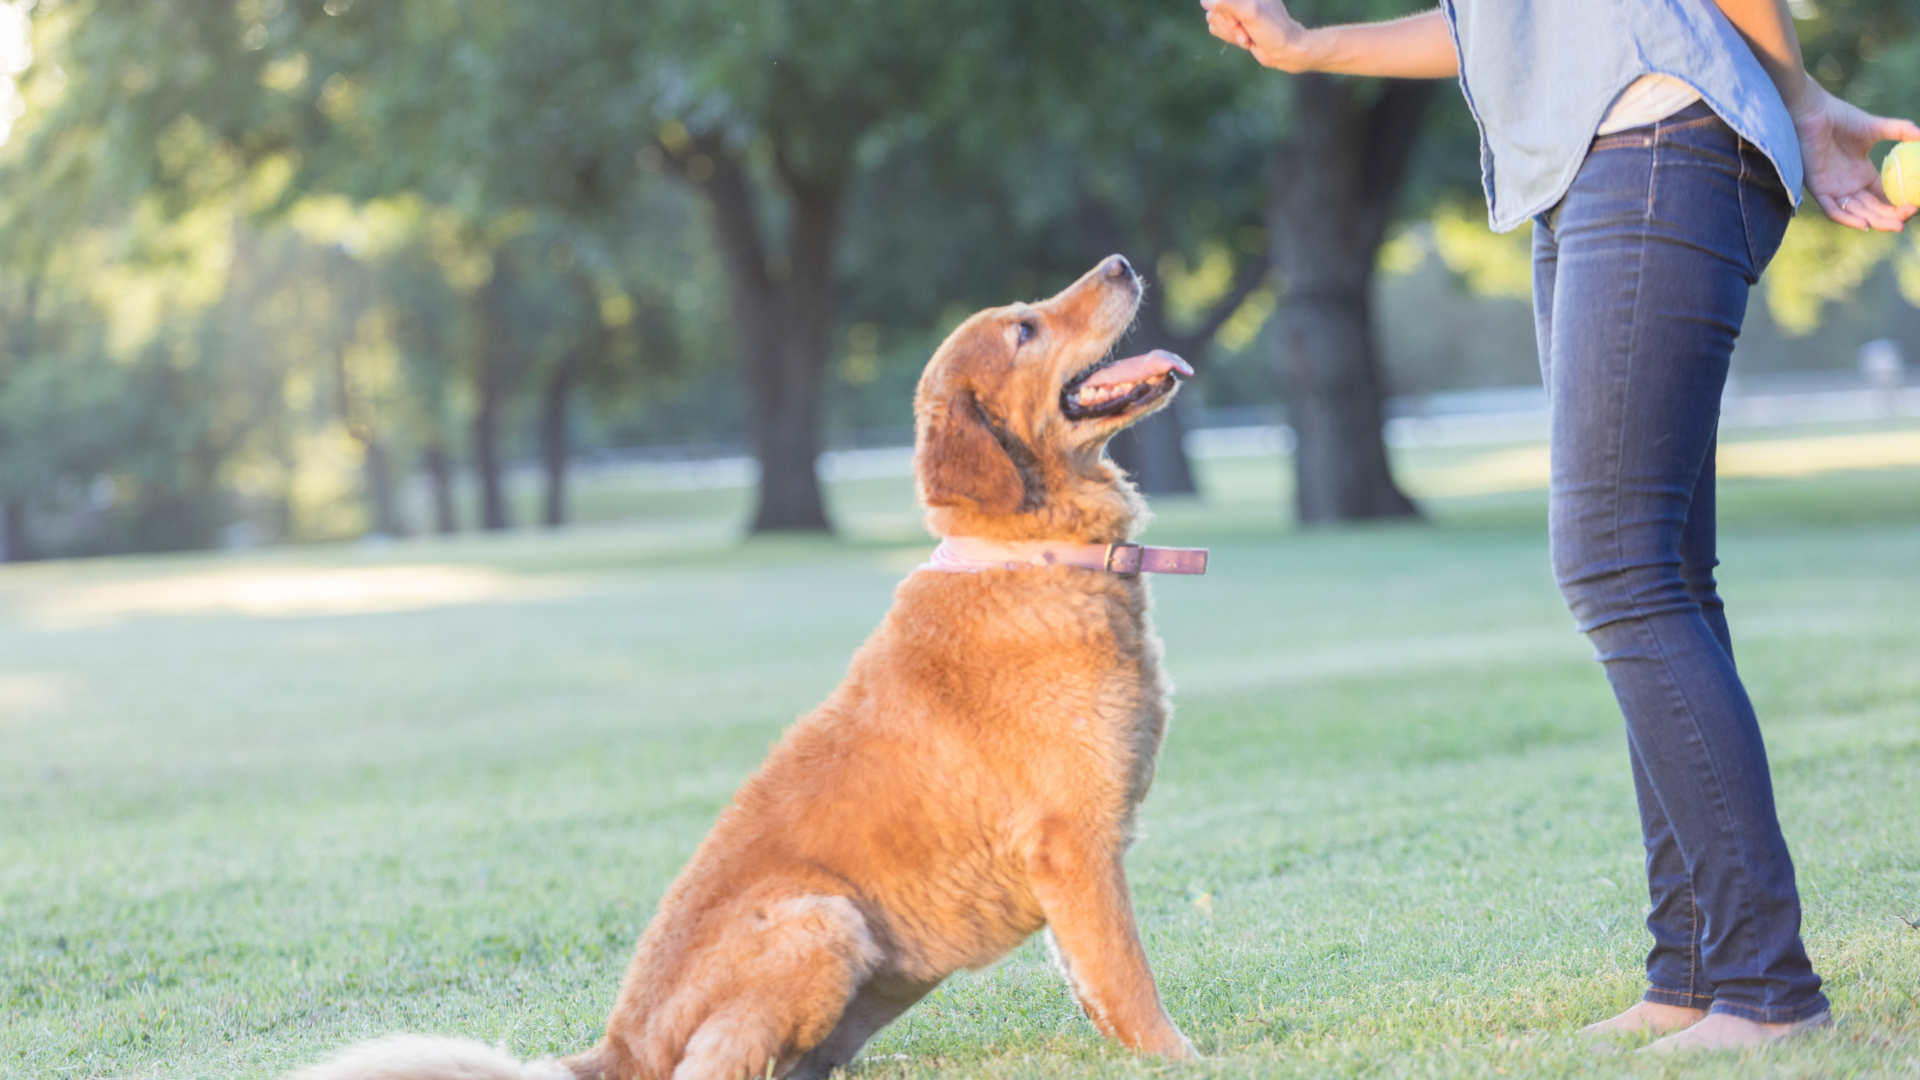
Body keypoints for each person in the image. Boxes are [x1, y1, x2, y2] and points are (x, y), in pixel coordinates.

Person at [1199, 0, 1919, 1052]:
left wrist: (1804, 101)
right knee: (1661, 571)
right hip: (1593, 165)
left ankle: (1769, 989)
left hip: (1659, 137)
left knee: (1616, 569)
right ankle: (1690, 972)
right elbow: (1495, 27)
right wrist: (1314, 48)